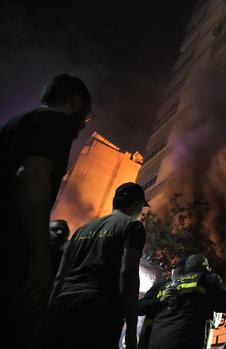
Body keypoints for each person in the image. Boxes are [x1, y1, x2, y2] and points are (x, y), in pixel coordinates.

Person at [1, 73, 92, 333]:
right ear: (75, 102)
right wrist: (40, 259)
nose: (84, 125)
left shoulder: (17, 123)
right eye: (86, 115)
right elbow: (33, 175)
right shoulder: (55, 122)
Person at [40, 182, 149, 349]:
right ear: (138, 204)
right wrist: (131, 328)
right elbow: (128, 273)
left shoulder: (81, 231)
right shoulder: (132, 226)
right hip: (99, 308)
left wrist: (50, 310)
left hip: (62, 304)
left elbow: (60, 277)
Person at [138, 254, 226, 349]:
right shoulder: (205, 279)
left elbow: (137, 308)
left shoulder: (161, 286)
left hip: (153, 344)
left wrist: (159, 302)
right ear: (204, 267)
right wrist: (215, 281)